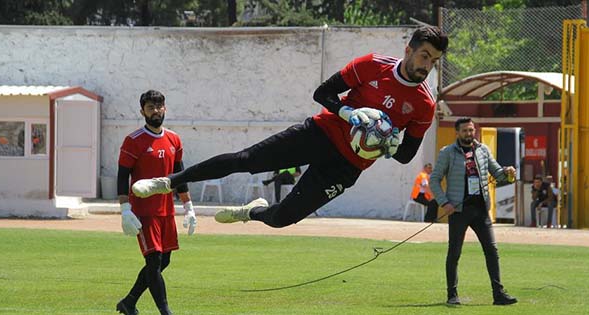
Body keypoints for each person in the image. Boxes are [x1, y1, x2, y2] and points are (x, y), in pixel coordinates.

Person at [131, 26, 448, 230]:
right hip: (321, 134)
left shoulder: (424, 104)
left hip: (347, 166)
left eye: (433, 61)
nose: (426, 65)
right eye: (424, 56)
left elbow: (406, 155)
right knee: (245, 160)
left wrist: (385, 141)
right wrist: (349, 112)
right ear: (408, 50)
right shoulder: (372, 65)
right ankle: (168, 182)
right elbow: (321, 94)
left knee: (282, 219)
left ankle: (250, 213)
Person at [116, 90, 197, 315]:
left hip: (166, 210)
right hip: (143, 212)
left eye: (159, 107)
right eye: (150, 107)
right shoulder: (133, 141)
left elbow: (179, 175)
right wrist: (125, 209)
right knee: (154, 261)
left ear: (165, 109)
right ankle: (165, 311)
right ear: (142, 111)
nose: (156, 111)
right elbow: (123, 175)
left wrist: (188, 207)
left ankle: (129, 302)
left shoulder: (174, 139)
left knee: (164, 262)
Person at [429, 117, 518, 306]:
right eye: (465, 131)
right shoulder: (447, 153)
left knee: (492, 251)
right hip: (458, 211)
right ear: (457, 132)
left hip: (481, 210)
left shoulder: (483, 150)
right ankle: (452, 295)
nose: (469, 134)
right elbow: (434, 180)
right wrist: (444, 203)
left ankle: (498, 294)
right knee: (454, 253)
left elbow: (498, 175)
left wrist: (509, 173)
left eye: (471, 130)